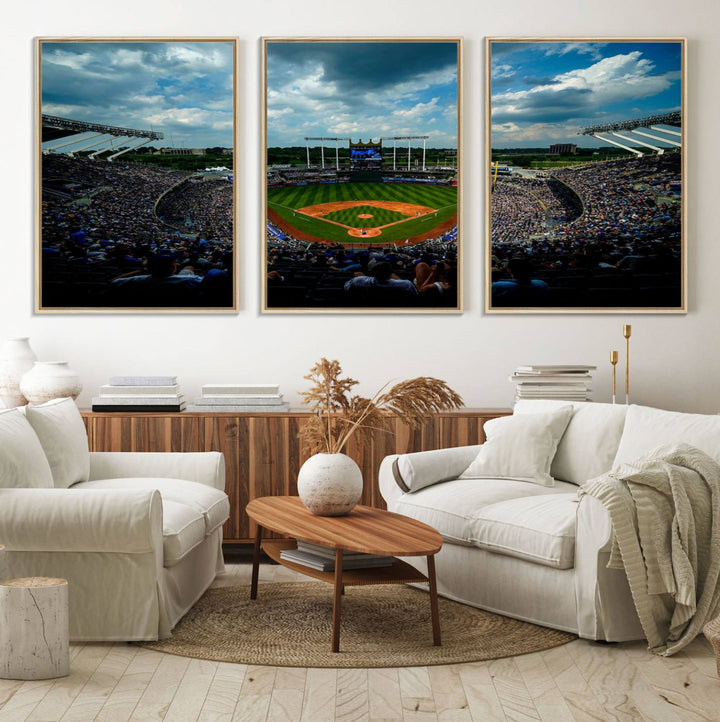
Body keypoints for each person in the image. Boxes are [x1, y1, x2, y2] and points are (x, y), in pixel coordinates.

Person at [344, 259, 417, 305]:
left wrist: (364, 277)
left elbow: (346, 286)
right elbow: (415, 295)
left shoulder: (360, 281)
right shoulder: (406, 284)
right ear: (390, 274)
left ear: (373, 273)